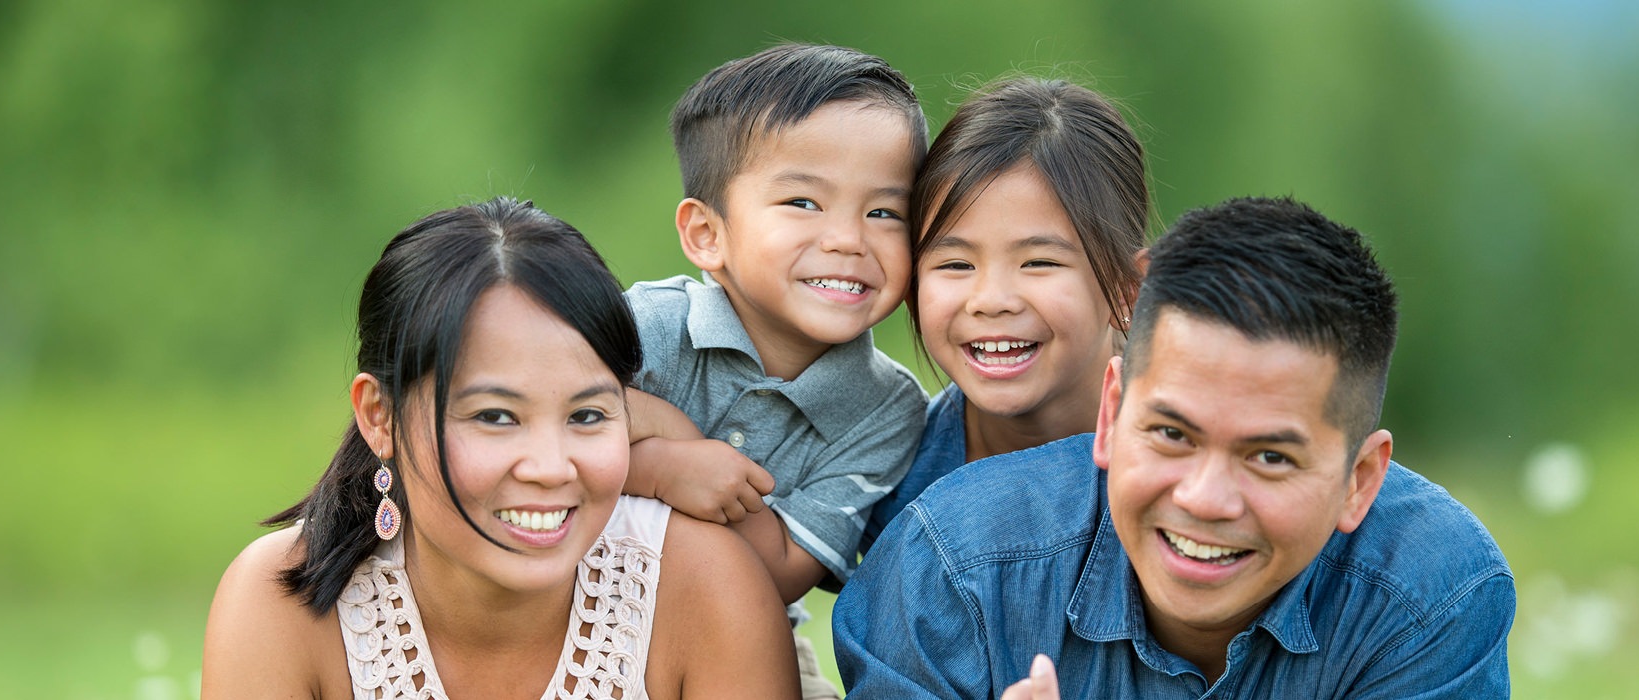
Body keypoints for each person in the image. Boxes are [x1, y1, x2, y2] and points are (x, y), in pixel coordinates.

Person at [835, 196, 1515, 699]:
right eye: (1171, 435)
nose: (1203, 499)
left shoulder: (1431, 594)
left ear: (1359, 480)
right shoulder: (953, 572)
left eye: (1269, 458)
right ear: (1111, 413)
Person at [202, 198, 797, 699]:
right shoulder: (283, 605)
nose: (549, 468)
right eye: (495, 416)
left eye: (586, 415)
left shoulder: (702, 588)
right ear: (378, 416)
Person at [618, 43, 929, 698]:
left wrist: (647, 447)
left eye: (884, 213)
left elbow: (784, 568)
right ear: (708, 234)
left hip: (741, 638)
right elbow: (540, 448)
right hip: (579, 600)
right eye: (803, 203)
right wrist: (664, 463)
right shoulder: (647, 328)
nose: (848, 239)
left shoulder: (886, 406)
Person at [858, 77, 1151, 554]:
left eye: (1039, 262)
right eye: (956, 264)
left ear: (1126, 291)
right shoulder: (889, 481)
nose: (991, 300)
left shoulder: (1196, 463)